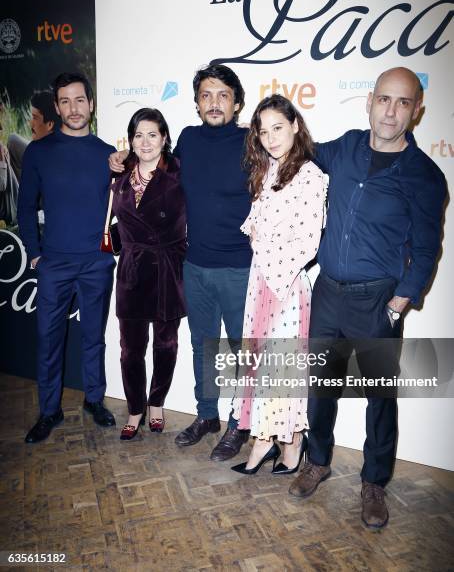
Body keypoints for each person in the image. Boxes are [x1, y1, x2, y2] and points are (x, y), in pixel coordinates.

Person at [288, 67, 447, 530]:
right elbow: (296, 151)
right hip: (327, 293)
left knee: (379, 395)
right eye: (384, 100)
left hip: (376, 301)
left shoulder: (425, 176)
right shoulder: (345, 147)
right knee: (321, 385)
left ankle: (374, 482)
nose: (391, 111)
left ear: (417, 110)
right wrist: (267, 126)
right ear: (369, 102)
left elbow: (425, 248)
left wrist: (401, 300)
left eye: (402, 103)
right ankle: (316, 461)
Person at [109, 64, 252, 461]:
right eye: (206, 95)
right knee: (202, 346)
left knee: (242, 351)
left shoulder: (252, 140)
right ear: (196, 103)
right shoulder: (187, 140)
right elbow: (150, 162)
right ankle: (207, 416)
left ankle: (240, 424)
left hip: (240, 267)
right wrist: (120, 156)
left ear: (237, 102)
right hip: (194, 265)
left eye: (223, 94)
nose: (214, 102)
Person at [229, 95, 327, 474]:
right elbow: (253, 224)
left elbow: (307, 243)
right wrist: (261, 239)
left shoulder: (310, 175)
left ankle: (278, 445)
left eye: (278, 128)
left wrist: (267, 250)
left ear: (295, 126)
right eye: (263, 131)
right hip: (261, 282)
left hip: (285, 284)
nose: (270, 138)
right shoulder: (267, 171)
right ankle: (278, 445)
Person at [18, 72, 116, 443]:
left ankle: (94, 399)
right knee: (48, 339)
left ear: (91, 104)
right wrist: (35, 255)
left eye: (80, 100)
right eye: (65, 102)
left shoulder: (108, 154)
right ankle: (49, 411)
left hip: (96, 263)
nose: (73, 108)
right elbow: (25, 208)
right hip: (54, 265)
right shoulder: (38, 151)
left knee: (94, 337)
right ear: (57, 107)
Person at [111, 108, 186, 440]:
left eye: (152, 134)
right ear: (131, 140)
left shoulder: (179, 175)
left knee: (166, 344)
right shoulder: (120, 179)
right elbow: (123, 225)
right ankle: (135, 408)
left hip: (167, 270)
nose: (145, 141)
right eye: (138, 135)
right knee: (130, 348)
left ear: (164, 138)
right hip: (130, 271)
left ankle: (156, 403)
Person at [0, 90, 59, 226]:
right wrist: (3, 163)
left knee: (13, 139)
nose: (29, 123)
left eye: (34, 118)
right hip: (15, 205)